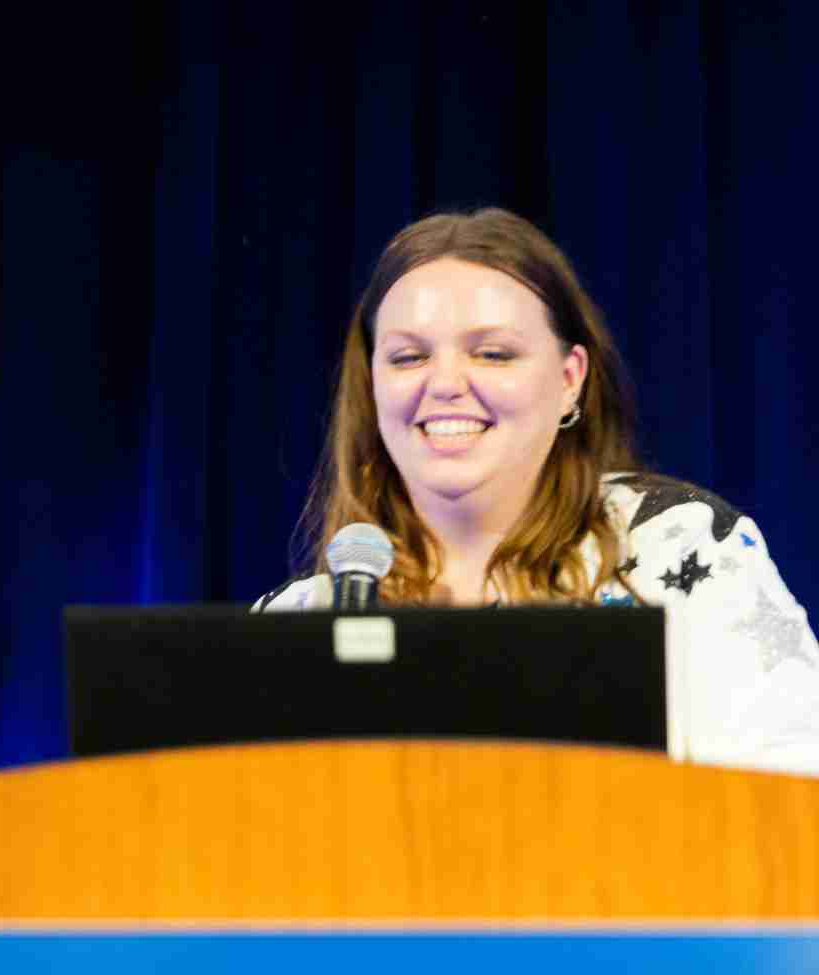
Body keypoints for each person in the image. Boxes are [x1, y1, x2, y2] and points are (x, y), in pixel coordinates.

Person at [257, 208, 819, 774]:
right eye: (409, 357)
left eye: (493, 353)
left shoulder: (678, 547)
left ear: (571, 377)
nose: (445, 383)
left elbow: (794, 794)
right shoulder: (298, 619)